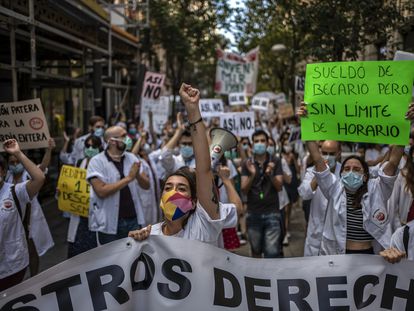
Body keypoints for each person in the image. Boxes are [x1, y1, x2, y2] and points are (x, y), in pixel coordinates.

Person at [297, 102, 413, 255]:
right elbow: (317, 158)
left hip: (371, 257)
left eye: (357, 169)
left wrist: (405, 124)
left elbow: (393, 162)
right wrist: (305, 123)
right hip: (340, 258)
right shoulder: (334, 188)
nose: (351, 172)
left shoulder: (377, 190)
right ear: (340, 174)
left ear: (365, 176)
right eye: (346, 169)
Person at [128, 83, 237, 245]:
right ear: (161, 199)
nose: (173, 192)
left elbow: (203, 170)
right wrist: (136, 243)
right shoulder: (150, 234)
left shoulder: (204, 224)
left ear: (194, 201)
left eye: (182, 188)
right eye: (168, 187)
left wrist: (193, 110)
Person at [86, 125, 150, 245]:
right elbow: (101, 191)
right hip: (109, 223)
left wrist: (137, 175)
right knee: (111, 260)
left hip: (133, 220)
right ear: (111, 141)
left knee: (134, 257)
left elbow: (146, 185)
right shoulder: (97, 162)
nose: (128, 138)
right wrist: (129, 178)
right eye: (124, 136)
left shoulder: (132, 158)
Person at [0, 139, 45, 291]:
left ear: (3, 171)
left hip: (12, 265)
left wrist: (17, 153)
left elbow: (39, 178)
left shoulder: (15, 191)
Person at [5, 138, 55, 276]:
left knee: (32, 249)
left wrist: (49, 150)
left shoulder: (29, 174)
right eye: (12, 163)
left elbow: (43, 167)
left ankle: (34, 277)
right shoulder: (6, 177)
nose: (15, 165)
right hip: (13, 218)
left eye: (17, 162)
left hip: (30, 218)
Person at [241, 129, 284, 258]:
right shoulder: (247, 163)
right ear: (252, 144)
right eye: (256, 141)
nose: (259, 143)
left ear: (267, 143)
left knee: (272, 252)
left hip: (272, 213)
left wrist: (270, 174)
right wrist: (253, 174)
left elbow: (279, 186)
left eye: (262, 141)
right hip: (253, 213)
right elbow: (243, 189)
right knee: (256, 251)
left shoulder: (275, 161)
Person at [298, 140, 342, 256]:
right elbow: (304, 193)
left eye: (332, 154)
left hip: (336, 237)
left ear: (339, 153)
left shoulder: (345, 172)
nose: (328, 157)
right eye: (324, 153)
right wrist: (320, 176)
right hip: (316, 235)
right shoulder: (311, 171)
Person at [65, 135, 102, 258]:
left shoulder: (103, 164)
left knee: (93, 253)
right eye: (88, 146)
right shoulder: (80, 162)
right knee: (77, 252)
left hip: (95, 214)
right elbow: (73, 184)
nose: (90, 148)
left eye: (94, 146)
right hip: (80, 213)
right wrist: (65, 189)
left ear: (99, 147)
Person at [388, 145, 414, 231]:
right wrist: (400, 230)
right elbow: (392, 207)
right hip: (406, 230)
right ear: (412, 155)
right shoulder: (403, 175)